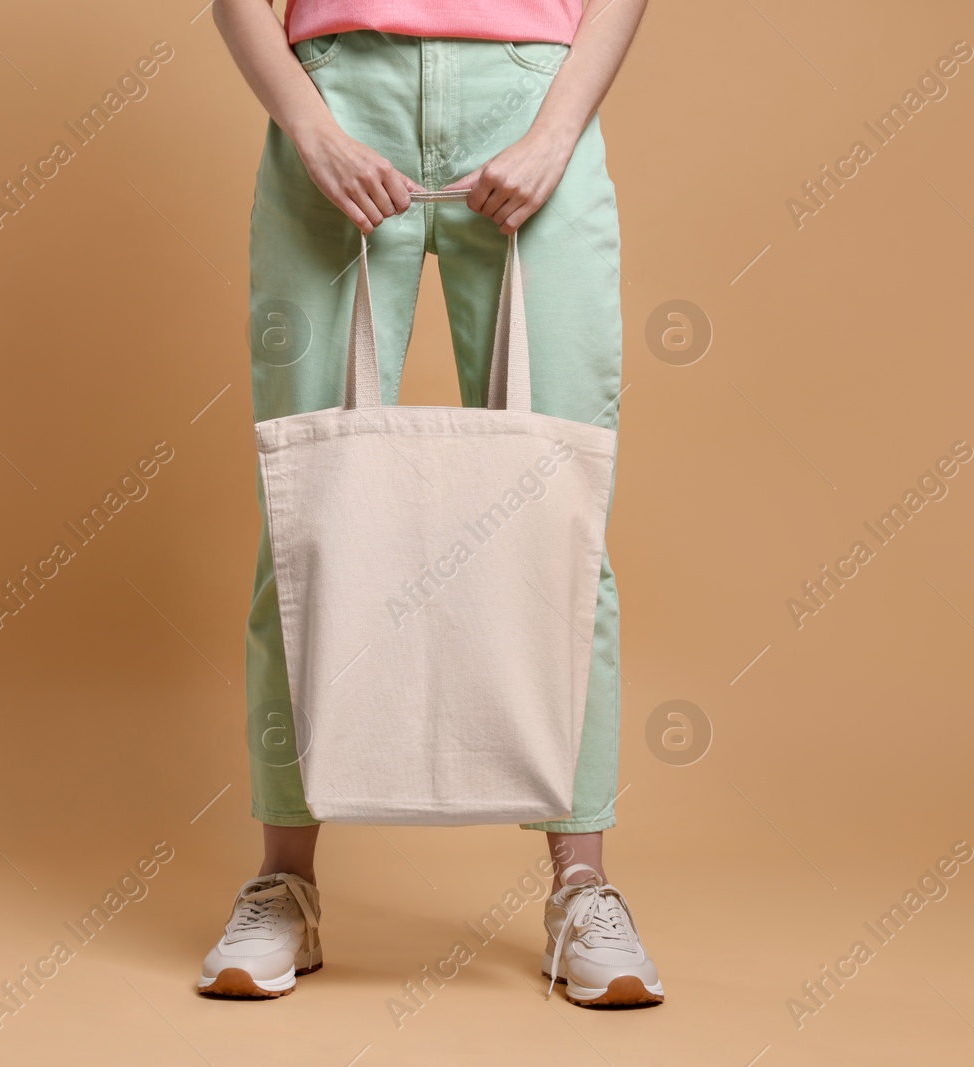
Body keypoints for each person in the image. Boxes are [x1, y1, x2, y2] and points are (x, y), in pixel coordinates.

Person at [203, 0, 658, 1008]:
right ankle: (286, 881)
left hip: (533, 91)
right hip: (335, 88)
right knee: (307, 510)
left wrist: (553, 134)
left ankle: (582, 885)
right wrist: (308, 123)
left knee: (560, 510)